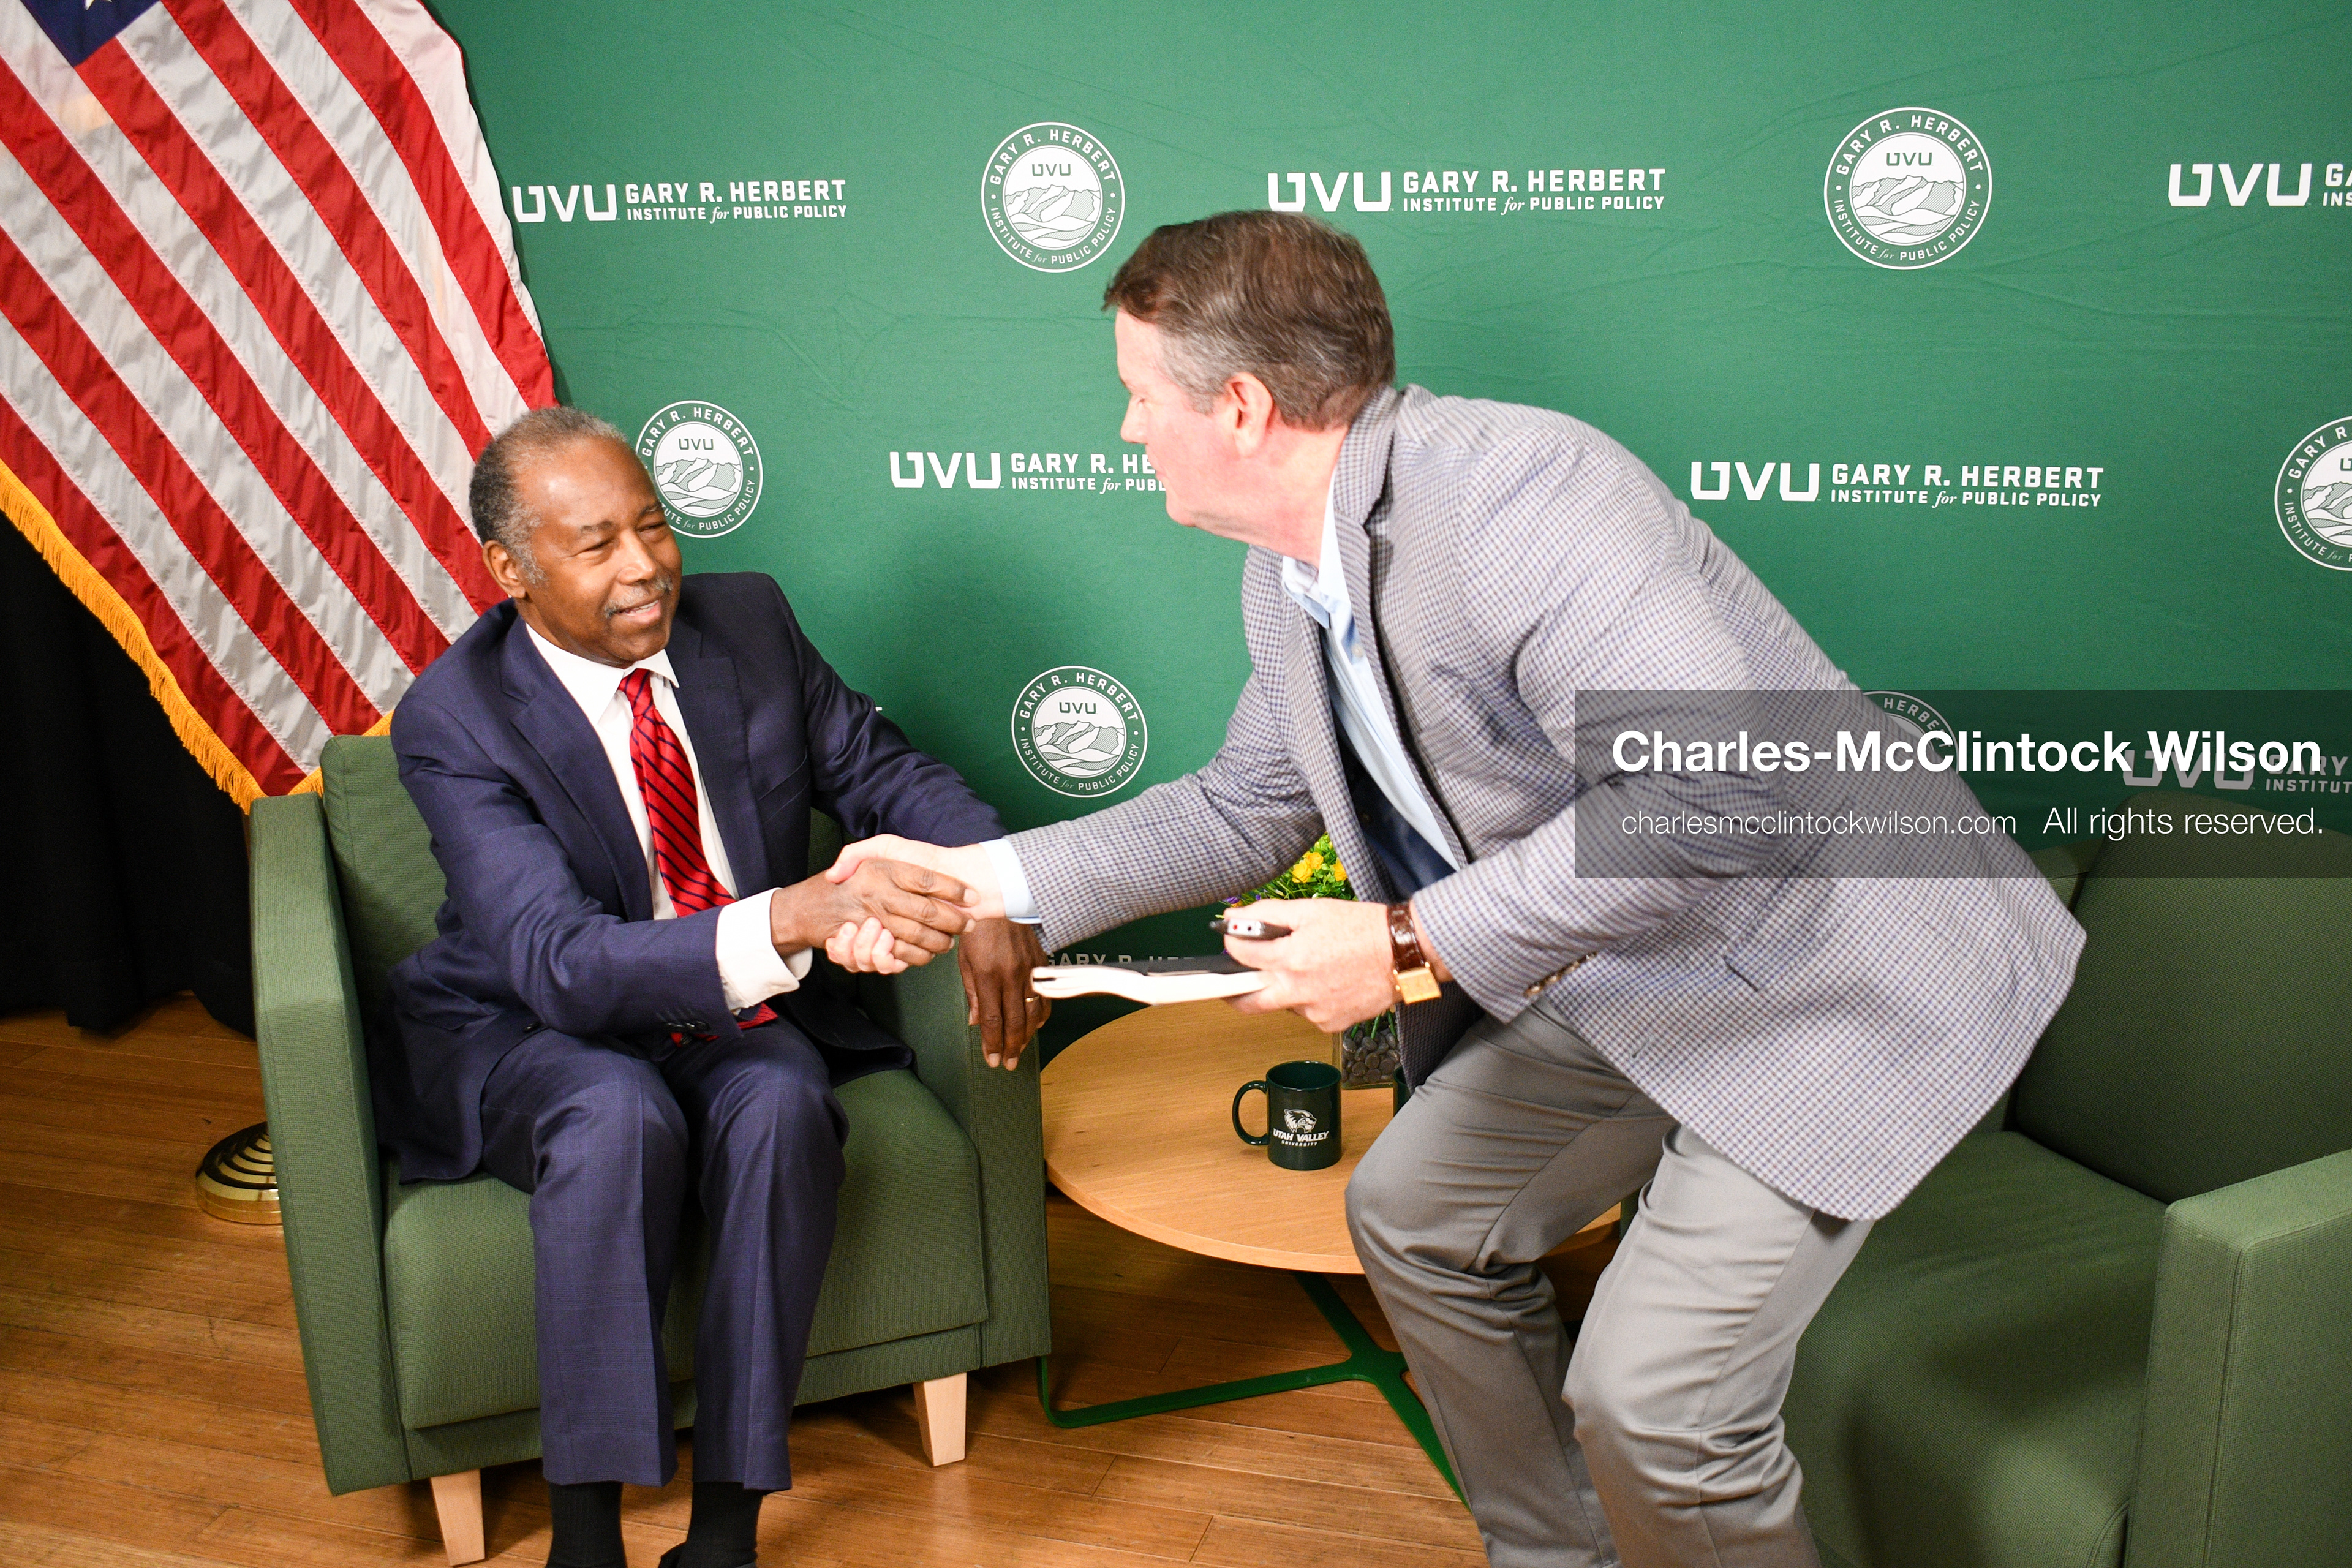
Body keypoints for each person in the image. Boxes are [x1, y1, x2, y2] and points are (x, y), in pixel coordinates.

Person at [830, 211, 2085, 1568]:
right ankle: (1559, 1554)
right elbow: (1244, 804)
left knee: (1655, 1403)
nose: (1130, 430)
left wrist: (1407, 939)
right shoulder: (1291, 563)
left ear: (1241, 406)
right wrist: (968, 878)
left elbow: (1717, 791)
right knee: (1416, 1211)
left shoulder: (1517, 496)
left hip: (1826, 963)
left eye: (1140, 397)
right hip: (1645, 954)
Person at [372, 407, 1046, 1568]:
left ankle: (725, 1533)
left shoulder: (749, 622)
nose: (645, 569)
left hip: (731, 1006)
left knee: (784, 1103)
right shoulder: (456, 716)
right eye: (597, 546)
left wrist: (1000, 891)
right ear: (511, 571)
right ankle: (585, 1540)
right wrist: (794, 916)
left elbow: (881, 771)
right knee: (611, 1115)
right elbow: (558, 962)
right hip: (533, 1020)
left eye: (655, 527)